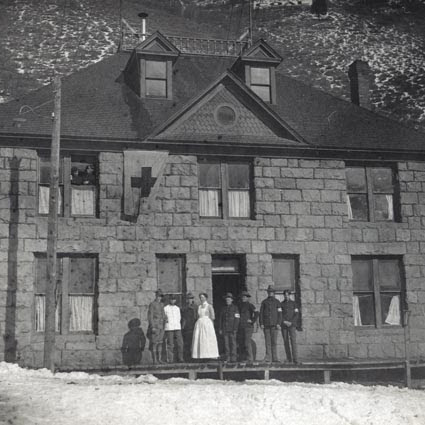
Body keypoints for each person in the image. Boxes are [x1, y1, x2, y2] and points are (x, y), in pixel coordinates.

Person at [191, 293, 219, 360]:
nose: (201, 299)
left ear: (206, 298)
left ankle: (209, 354)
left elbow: (213, 316)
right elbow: (197, 316)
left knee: (207, 338)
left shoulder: (209, 306)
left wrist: (210, 324)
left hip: (207, 323)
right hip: (200, 323)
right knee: (199, 338)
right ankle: (200, 355)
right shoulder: (199, 307)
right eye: (200, 297)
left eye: (203, 297)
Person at [259, 285, 282, 363]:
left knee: (274, 342)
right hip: (266, 325)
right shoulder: (264, 302)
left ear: (274, 293)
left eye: (272, 292)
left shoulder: (277, 302)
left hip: (275, 325)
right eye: (269, 292)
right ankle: (268, 357)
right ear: (267, 293)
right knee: (267, 342)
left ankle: (275, 358)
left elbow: (280, 314)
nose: (270, 293)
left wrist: (279, 323)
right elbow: (261, 314)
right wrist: (261, 323)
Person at [219, 293, 240, 362]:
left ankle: (233, 358)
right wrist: (220, 328)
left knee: (233, 343)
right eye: (226, 299)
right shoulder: (223, 308)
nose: (227, 300)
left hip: (232, 329)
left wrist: (235, 329)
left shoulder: (235, 308)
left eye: (229, 299)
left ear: (232, 300)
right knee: (226, 344)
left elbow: (237, 319)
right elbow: (220, 319)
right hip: (225, 329)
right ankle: (227, 357)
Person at [147, 289, 166, 364]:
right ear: (156, 296)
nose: (159, 298)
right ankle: (155, 360)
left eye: (160, 296)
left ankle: (160, 359)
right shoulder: (152, 304)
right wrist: (152, 326)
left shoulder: (162, 304)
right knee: (154, 343)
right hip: (155, 325)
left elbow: (163, 314)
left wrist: (165, 319)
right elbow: (150, 316)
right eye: (158, 296)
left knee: (160, 343)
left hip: (161, 326)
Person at [164, 294, 184, 363]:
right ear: (169, 300)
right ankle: (170, 359)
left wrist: (178, 325)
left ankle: (180, 358)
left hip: (177, 327)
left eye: (174, 299)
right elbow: (165, 318)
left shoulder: (177, 308)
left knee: (180, 343)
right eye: (171, 299)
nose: (173, 300)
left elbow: (179, 318)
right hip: (169, 328)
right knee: (170, 344)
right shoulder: (166, 308)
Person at [281, 290, 300, 364]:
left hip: (292, 325)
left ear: (289, 295)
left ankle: (295, 359)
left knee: (293, 341)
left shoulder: (294, 304)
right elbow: (280, 314)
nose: (286, 296)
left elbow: (296, 314)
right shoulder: (281, 304)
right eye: (285, 295)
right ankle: (289, 359)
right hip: (284, 325)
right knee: (286, 341)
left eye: (287, 295)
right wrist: (284, 321)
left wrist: (291, 322)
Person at [238, 291, 257, 362]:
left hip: (248, 327)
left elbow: (257, 313)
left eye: (245, 297)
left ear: (247, 298)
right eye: (242, 297)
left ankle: (250, 358)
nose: (243, 298)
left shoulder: (250, 305)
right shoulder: (239, 306)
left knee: (247, 342)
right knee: (242, 342)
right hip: (241, 327)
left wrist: (252, 320)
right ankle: (244, 358)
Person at [181, 292, 197, 362]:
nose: (190, 300)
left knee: (194, 343)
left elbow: (197, 316)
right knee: (187, 343)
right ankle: (187, 358)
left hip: (194, 326)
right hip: (187, 327)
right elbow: (183, 318)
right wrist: (183, 327)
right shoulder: (184, 308)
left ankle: (194, 357)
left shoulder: (195, 307)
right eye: (188, 299)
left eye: (191, 298)